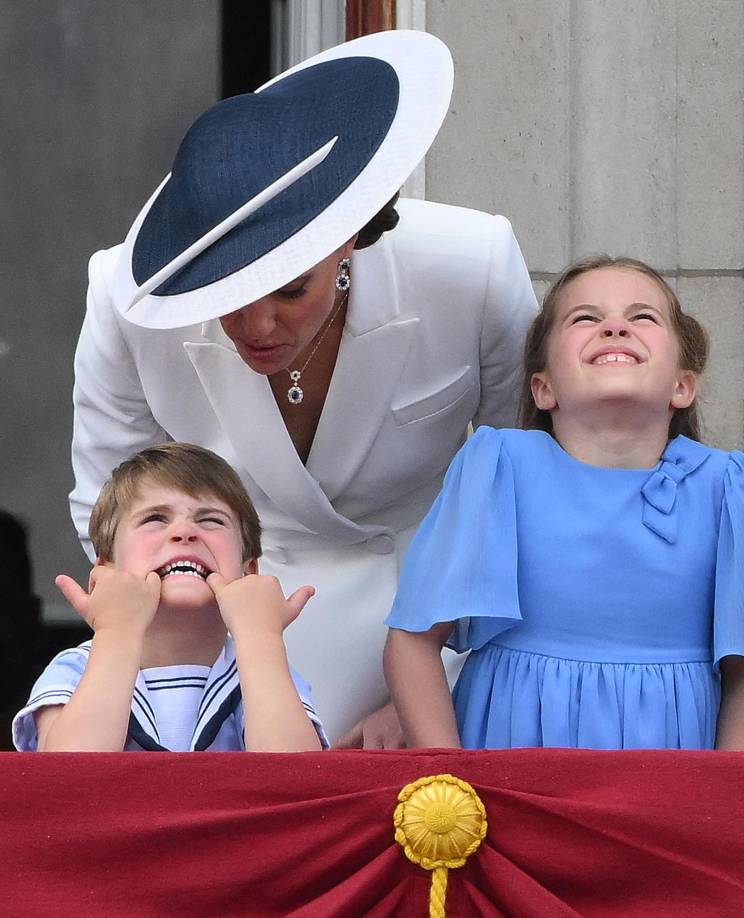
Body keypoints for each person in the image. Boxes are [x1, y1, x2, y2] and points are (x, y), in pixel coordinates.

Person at [68, 31, 538, 745]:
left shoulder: (471, 267)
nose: (257, 324)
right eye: (227, 294)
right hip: (223, 652)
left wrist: (437, 687)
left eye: (290, 290)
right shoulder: (124, 293)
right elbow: (106, 510)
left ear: (347, 239)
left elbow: (531, 499)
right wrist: (185, 679)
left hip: (431, 634)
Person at [384, 255, 744, 750]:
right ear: (543, 386)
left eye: (642, 317)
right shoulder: (498, 465)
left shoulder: (726, 486)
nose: (615, 327)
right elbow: (413, 641)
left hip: (672, 772)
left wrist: (724, 801)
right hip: (514, 760)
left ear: (682, 385)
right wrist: (450, 781)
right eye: (585, 318)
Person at [14, 442, 326, 752]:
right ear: (107, 571)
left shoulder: (263, 668)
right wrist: (117, 631)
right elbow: (68, 777)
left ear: (249, 571)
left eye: (210, 520)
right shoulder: (74, 670)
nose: (185, 532)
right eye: (155, 519)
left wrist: (260, 636)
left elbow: (298, 779)